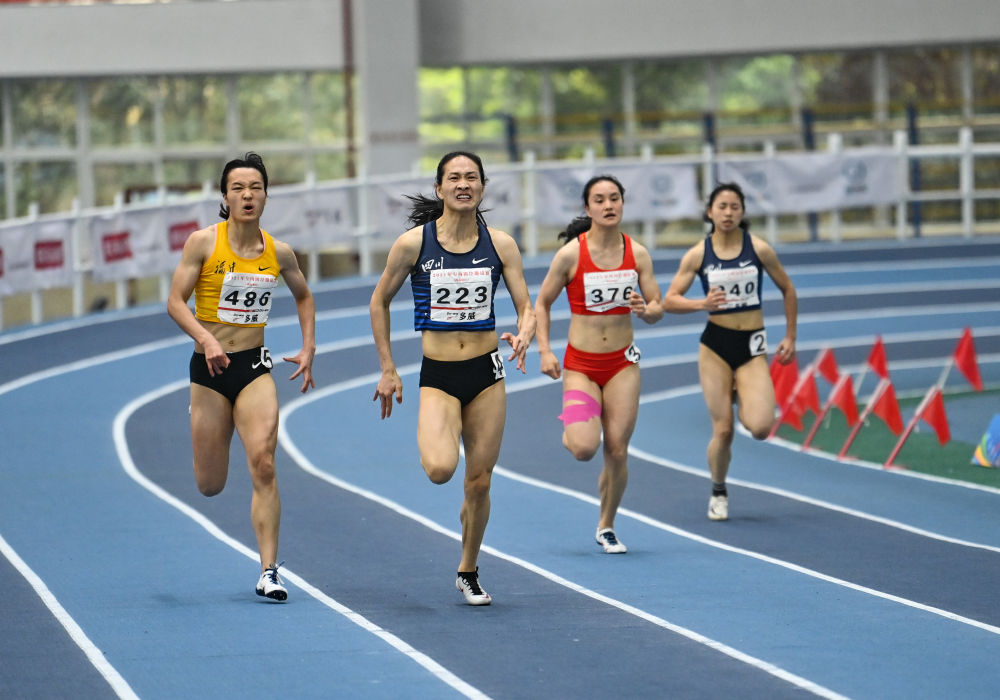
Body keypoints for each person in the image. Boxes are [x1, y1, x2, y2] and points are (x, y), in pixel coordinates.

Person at [370, 151, 535, 606]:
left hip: (487, 373)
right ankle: (465, 524)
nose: (464, 184)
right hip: (439, 375)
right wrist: (388, 368)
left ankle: (468, 569)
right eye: (455, 178)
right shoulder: (413, 245)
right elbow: (378, 301)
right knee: (441, 470)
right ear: (439, 188)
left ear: (482, 187)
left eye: (472, 177)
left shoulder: (501, 244)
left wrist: (525, 333)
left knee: (479, 481)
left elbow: (527, 306)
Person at [167, 152, 316, 601]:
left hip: (253, 369)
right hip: (210, 371)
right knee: (210, 485)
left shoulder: (279, 252)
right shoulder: (202, 243)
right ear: (225, 196)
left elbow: (304, 296)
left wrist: (308, 346)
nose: (247, 195)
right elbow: (175, 302)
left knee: (264, 463)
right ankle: (205, 420)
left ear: (266, 196)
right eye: (238, 188)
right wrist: (206, 339)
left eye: (255, 188)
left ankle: (269, 570)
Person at [534, 174, 663, 553]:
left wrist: (646, 310)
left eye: (614, 198)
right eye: (600, 200)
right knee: (584, 449)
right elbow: (542, 303)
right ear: (588, 208)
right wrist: (545, 350)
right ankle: (573, 431)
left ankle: (606, 525)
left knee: (617, 450)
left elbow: (657, 306)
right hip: (581, 367)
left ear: (622, 203)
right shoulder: (571, 255)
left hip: (622, 365)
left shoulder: (637, 254)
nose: (608, 206)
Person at [662, 182, 797, 521]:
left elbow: (788, 288)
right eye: (721, 206)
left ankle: (740, 391)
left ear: (742, 212)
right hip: (716, 347)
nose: (728, 213)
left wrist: (790, 337)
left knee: (761, 427)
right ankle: (719, 490)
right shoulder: (698, 254)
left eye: (734, 207)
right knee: (723, 430)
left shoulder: (759, 249)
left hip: (752, 346)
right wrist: (702, 303)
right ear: (710, 212)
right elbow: (669, 301)